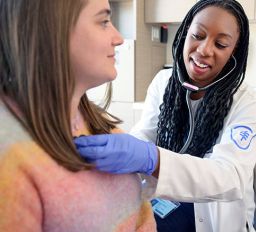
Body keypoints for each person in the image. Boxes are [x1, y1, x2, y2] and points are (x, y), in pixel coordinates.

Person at [74, 0, 256, 231]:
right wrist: (129, 151)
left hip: (213, 212)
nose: (204, 50)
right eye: (198, 35)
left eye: (221, 44)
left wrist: (152, 158)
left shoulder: (247, 101)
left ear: (234, 52)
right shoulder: (164, 82)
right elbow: (146, 133)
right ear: (185, 34)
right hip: (167, 195)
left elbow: (230, 176)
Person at [0, 0, 156, 231]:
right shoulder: (10, 156)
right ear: (52, 29)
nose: (119, 38)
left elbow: (142, 216)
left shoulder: (96, 122)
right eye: (103, 22)